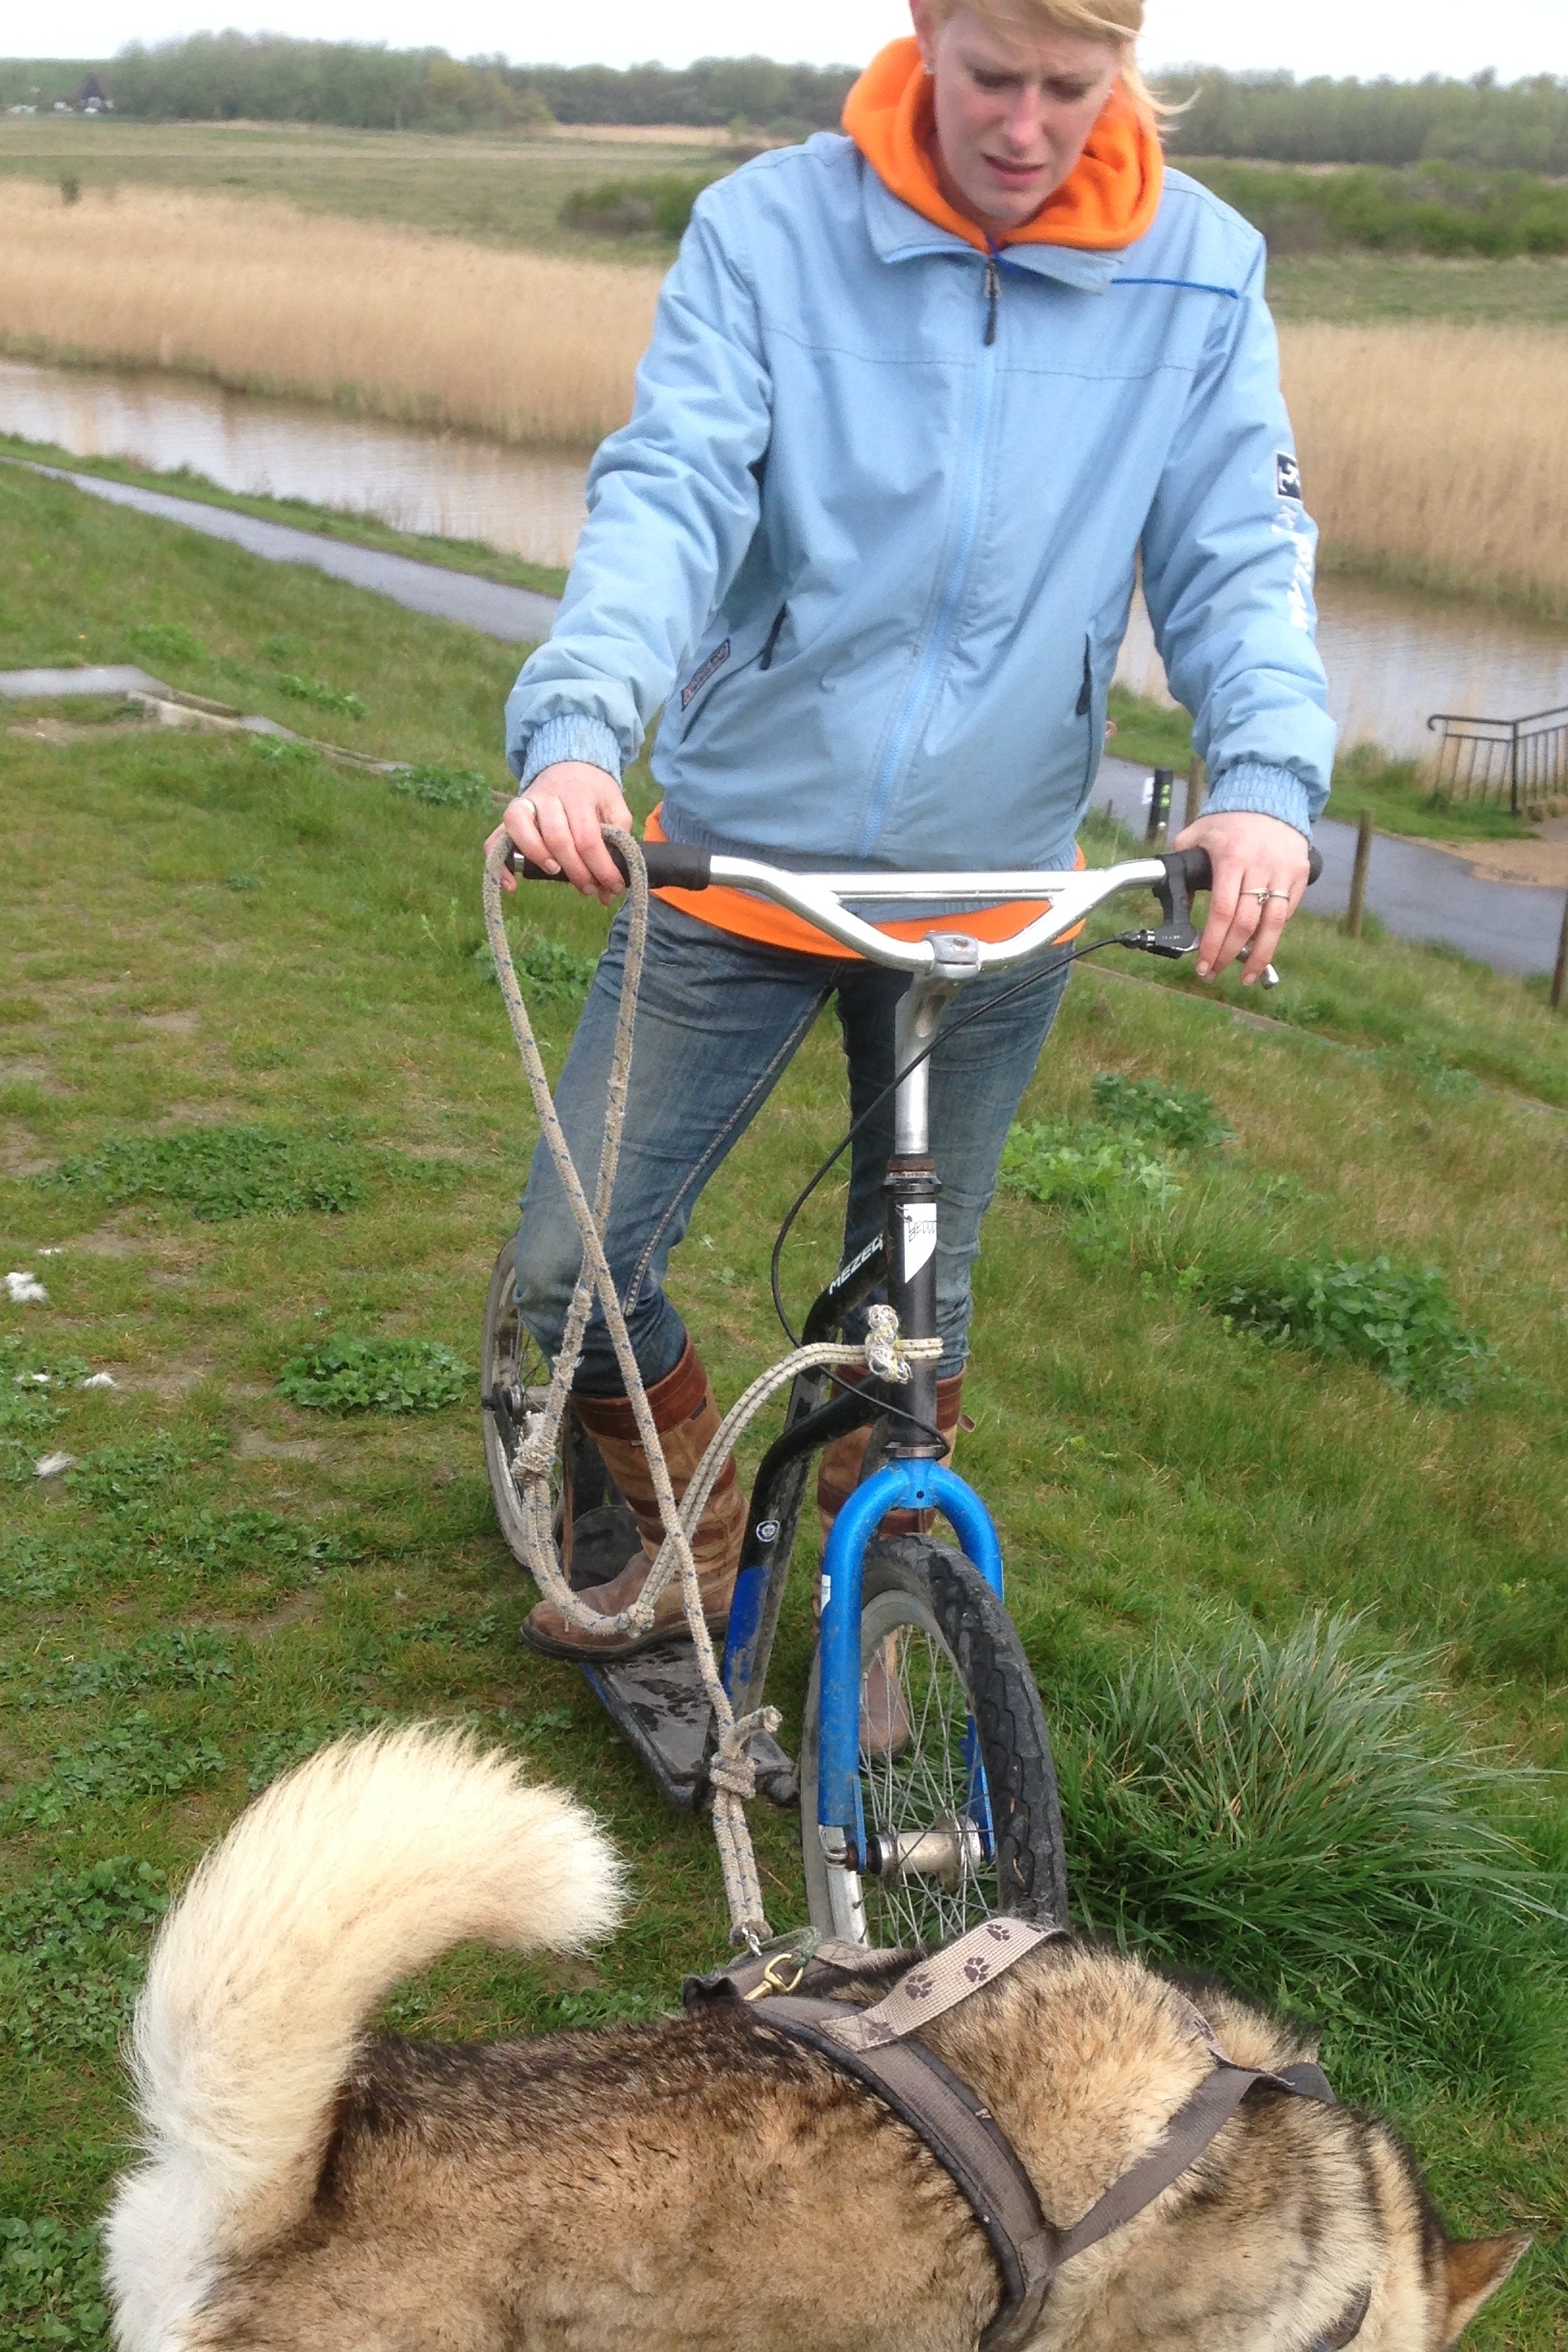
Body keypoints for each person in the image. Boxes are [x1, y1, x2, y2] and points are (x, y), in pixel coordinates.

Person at [491, 0, 1330, 1659]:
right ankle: (682, 1525)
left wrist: (1260, 786)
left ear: (1121, 71)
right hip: (741, 861)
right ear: (928, 30)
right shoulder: (769, 231)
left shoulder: (1199, 270)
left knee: (915, 1312)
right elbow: (668, 495)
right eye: (993, 77)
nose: (1025, 126)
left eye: (1068, 89)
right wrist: (578, 728)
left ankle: (874, 1619)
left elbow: (1238, 556)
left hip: (990, 892)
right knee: (566, 1265)